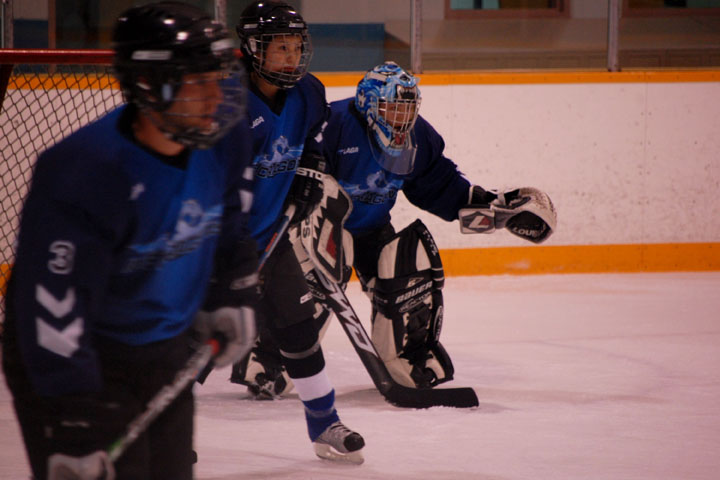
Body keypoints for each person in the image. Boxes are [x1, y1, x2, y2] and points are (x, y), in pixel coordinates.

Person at [1, 2, 258, 479]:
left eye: (216, 77)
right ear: (148, 85)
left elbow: (229, 224)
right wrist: (71, 421)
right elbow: (54, 305)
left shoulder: (226, 138)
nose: (214, 96)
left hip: (163, 347)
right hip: (77, 359)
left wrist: (232, 290)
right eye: (195, 80)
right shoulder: (86, 171)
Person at [245, 61, 557, 395]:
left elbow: (439, 185)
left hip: (371, 228)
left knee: (409, 265)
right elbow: (292, 169)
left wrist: (491, 207)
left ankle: (408, 358)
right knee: (314, 279)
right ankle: (270, 356)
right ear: (367, 103)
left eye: (407, 109)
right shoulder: (332, 123)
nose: (401, 118)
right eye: (392, 108)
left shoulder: (418, 136)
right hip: (316, 224)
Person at [227, 1, 365, 465]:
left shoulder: (308, 92)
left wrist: (311, 166)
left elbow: (312, 139)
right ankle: (157, 429)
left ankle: (324, 424)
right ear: (251, 50)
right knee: (195, 343)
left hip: (272, 235)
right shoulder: (227, 102)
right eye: (279, 47)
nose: (290, 57)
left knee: (299, 329)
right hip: (216, 247)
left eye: (295, 46)